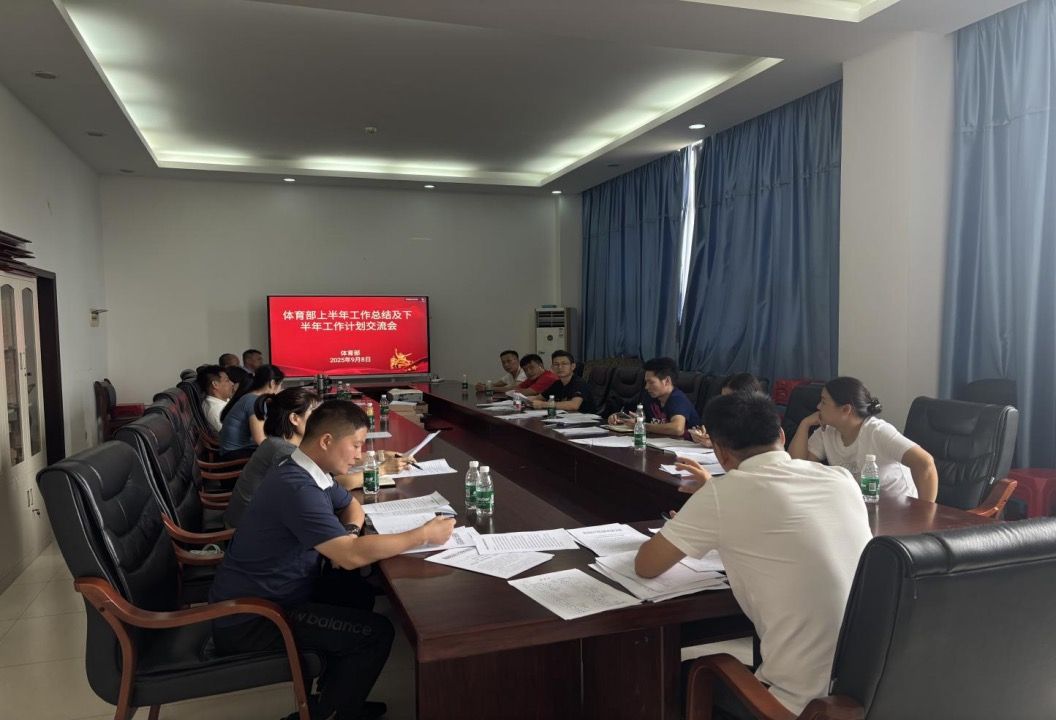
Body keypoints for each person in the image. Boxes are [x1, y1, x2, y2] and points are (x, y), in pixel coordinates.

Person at [211, 401, 455, 720]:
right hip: (255, 617)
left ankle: (337, 698)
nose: (359, 455)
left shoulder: (311, 471)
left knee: (357, 593)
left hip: (281, 592)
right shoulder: (296, 487)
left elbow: (351, 505)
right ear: (327, 441)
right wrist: (422, 535)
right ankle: (330, 713)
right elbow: (350, 556)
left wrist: (350, 532)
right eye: (356, 445)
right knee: (375, 634)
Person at [635, 393, 871, 719]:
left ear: (720, 452)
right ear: (782, 436)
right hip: (865, 697)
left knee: (684, 676)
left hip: (796, 708)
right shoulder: (841, 479)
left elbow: (646, 565)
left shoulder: (723, 492)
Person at [225, 388, 414, 528]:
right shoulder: (283, 451)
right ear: (294, 419)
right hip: (249, 531)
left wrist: (380, 455)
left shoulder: (283, 443)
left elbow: (334, 462)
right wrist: (383, 469)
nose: (322, 418)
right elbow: (337, 483)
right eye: (315, 413)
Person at [788, 376, 939, 502]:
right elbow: (797, 468)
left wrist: (925, 514)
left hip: (900, 507)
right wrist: (804, 424)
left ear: (846, 409)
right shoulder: (827, 430)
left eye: (824, 402)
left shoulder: (877, 432)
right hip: (865, 507)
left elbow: (925, 463)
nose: (818, 406)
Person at [606, 357, 700, 439]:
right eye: (646, 382)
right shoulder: (649, 397)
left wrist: (641, 425)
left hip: (684, 448)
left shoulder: (678, 399)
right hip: (659, 444)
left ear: (667, 381)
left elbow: (677, 429)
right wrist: (618, 417)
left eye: (651, 382)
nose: (646, 387)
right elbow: (630, 413)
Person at [219, 364, 285, 458]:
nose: (281, 388)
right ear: (272, 383)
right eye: (281, 384)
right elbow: (260, 440)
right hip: (233, 455)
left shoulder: (250, 397)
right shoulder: (254, 401)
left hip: (232, 451)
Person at [689, 373, 764, 447]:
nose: (724, 403)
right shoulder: (722, 412)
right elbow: (713, 434)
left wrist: (719, 444)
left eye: (730, 399)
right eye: (723, 398)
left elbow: (754, 445)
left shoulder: (762, 419)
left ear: (747, 397)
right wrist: (700, 436)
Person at [530, 350, 594, 413]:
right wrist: (524, 400)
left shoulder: (579, 383)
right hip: (566, 417)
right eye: (556, 364)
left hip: (585, 418)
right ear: (552, 367)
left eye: (564, 364)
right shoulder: (557, 384)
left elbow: (574, 405)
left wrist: (543, 404)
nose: (560, 367)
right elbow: (538, 397)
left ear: (573, 366)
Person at [197, 364, 235, 434]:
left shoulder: (222, 401)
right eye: (227, 380)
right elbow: (232, 435)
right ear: (215, 384)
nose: (232, 383)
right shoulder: (215, 410)